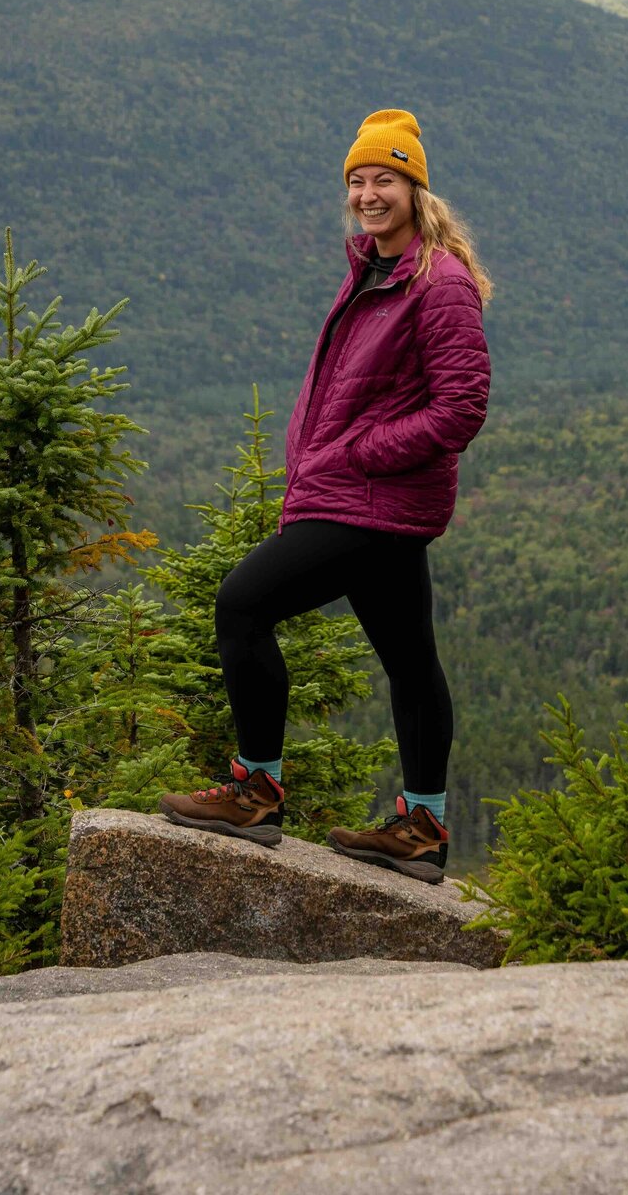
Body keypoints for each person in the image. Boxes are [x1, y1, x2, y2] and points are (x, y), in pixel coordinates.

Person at [159, 108, 492, 881]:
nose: (369, 194)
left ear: (416, 188)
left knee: (242, 604)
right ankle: (424, 828)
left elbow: (461, 408)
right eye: (358, 180)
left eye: (385, 179)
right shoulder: (377, 268)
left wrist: (361, 454)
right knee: (410, 661)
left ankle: (256, 792)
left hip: (369, 500)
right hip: (364, 496)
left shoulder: (437, 282)